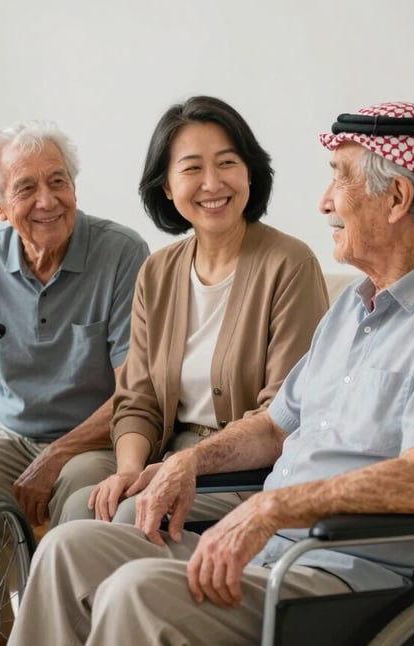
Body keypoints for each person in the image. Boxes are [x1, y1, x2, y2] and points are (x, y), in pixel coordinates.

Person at [6, 101, 414, 646]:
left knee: (136, 591)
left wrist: (270, 507)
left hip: (358, 578)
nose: (324, 202)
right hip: (277, 554)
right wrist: (186, 462)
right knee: (68, 549)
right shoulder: (355, 308)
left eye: (339, 180)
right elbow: (273, 426)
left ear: (397, 199)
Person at [61, 95, 329, 524]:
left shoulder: (290, 264)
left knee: (125, 516)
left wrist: (180, 465)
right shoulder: (158, 271)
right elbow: (138, 398)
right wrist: (129, 470)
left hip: (248, 468)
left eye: (227, 163)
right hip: (169, 451)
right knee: (80, 489)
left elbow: (285, 411)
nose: (212, 183)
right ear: (166, 186)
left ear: (249, 172)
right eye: (191, 168)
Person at [0, 120, 149, 528]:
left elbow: (134, 391)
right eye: (25, 188)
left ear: (74, 187)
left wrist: (56, 453)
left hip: (98, 439)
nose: (47, 201)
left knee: (82, 494)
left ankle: (54, 592)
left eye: (58, 181)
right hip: (8, 434)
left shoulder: (122, 254)